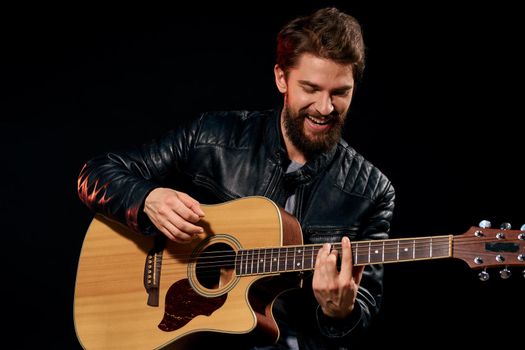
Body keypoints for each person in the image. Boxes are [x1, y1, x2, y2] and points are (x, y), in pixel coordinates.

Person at [77, 7, 395, 350]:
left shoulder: (371, 190)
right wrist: (147, 199)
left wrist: (339, 313)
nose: (324, 107)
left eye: (340, 92)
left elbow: (361, 317)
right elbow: (95, 174)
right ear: (281, 78)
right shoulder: (212, 136)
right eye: (311, 88)